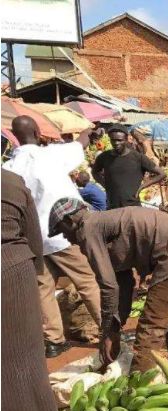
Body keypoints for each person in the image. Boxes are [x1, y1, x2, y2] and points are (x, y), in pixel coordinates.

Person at [48, 199, 168, 386]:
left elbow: (108, 286)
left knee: (151, 327)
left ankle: (137, 390)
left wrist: (106, 332)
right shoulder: (103, 224)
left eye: (63, 232)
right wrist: (113, 329)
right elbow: (124, 283)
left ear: (70, 221)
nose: (66, 238)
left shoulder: (87, 229)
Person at [3, 116, 102, 358]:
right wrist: (90, 129)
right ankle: (109, 327)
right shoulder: (53, 154)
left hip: (33, 239)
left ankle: (54, 340)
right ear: (38, 133)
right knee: (88, 281)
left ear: (15, 137)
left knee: (43, 289)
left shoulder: (9, 168)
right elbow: (81, 142)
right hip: (64, 234)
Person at [1, 169, 58, 411]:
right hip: (15, 266)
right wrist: (35, 270)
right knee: (24, 351)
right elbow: (32, 232)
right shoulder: (12, 182)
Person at [92, 124, 166, 210]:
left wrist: (143, 186)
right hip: (112, 207)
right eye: (113, 140)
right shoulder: (104, 157)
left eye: (119, 140)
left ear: (126, 139)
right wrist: (104, 184)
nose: (116, 143)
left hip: (133, 207)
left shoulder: (138, 157)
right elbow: (95, 172)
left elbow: (162, 174)